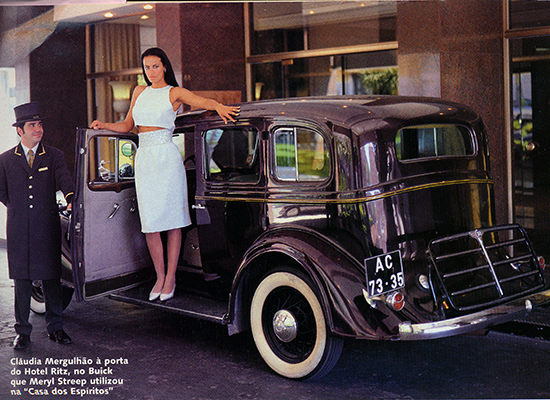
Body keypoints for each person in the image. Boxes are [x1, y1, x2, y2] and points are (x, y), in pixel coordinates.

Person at [91, 47, 239, 302]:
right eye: (147, 67)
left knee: (171, 221)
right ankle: (159, 276)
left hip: (167, 159)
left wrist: (220, 107)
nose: (151, 72)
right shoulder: (139, 91)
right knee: (150, 224)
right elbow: (128, 126)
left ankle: (170, 278)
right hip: (145, 158)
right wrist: (104, 125)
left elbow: (204, 102)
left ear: (165, 67)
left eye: (155, 66)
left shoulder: (175, 93)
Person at [0, 102, 75, 350]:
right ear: (19, 130)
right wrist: (18, 208)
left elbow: (64, 178)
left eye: (40, 124)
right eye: (32, 125)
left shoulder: (53, 155)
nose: (38, 129)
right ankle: (23, 332)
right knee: (21, 280)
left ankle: (56, 328)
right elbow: (3, 192)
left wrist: (72, 198)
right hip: (19, 227)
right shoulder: (6, 160)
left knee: (52, 278)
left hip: (47, 224)